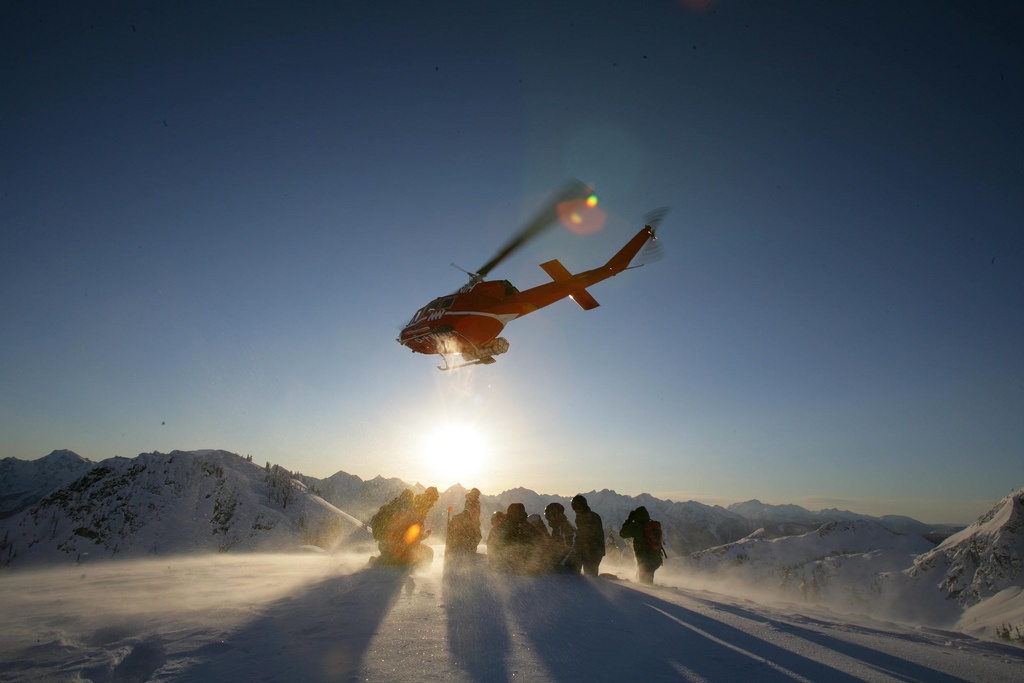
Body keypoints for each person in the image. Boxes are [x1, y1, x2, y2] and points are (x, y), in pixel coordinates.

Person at [369, 486, 439, 566]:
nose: (433, 505)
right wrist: (425, 535)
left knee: (398, 554)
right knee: (428, 553)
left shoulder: (395, 508)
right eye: (433, 500)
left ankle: (383, 560)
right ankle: (406, 568)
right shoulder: (415, 512)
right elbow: (413, 538)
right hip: (402, 552)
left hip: (385, 549)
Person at [619, 505, 663, 584]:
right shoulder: (651, 525)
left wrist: (629, 520)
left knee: (645, 584)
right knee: (644, 575)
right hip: (656, 558)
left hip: (646, 559)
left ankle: (648, 594)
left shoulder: (637, 526)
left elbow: (622, 533)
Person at [571, 494, 606, 578]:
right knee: (576, 573)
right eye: (573, 507)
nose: (576, 509)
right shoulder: (580, 517)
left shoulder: (591, 517)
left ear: (583, 505)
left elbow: (589, 535)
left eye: (578, 506)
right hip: (587, 550)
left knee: (591, 575)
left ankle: (592, 589)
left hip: (594, 551)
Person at [445, 488, 483, 559]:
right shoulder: (470, 502)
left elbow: (474, 514)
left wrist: (476, 522)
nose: (477, 497)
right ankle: (468, 552)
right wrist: (472, 521)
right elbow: (469, 512)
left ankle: (469, 551)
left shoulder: (474, 502)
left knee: (476, 537)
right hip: (471, 523)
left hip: (473, 523)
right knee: (473, 537)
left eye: (477, 496)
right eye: (475, 495)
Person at [544, 502, 579, 574]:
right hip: (565, 563)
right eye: (547, 516)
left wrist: (556, 564)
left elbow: (570, 548)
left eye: (549, 516)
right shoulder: (558, 527)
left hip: (568, 566)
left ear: (557, 515)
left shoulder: (564, 527)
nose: (548, 519)